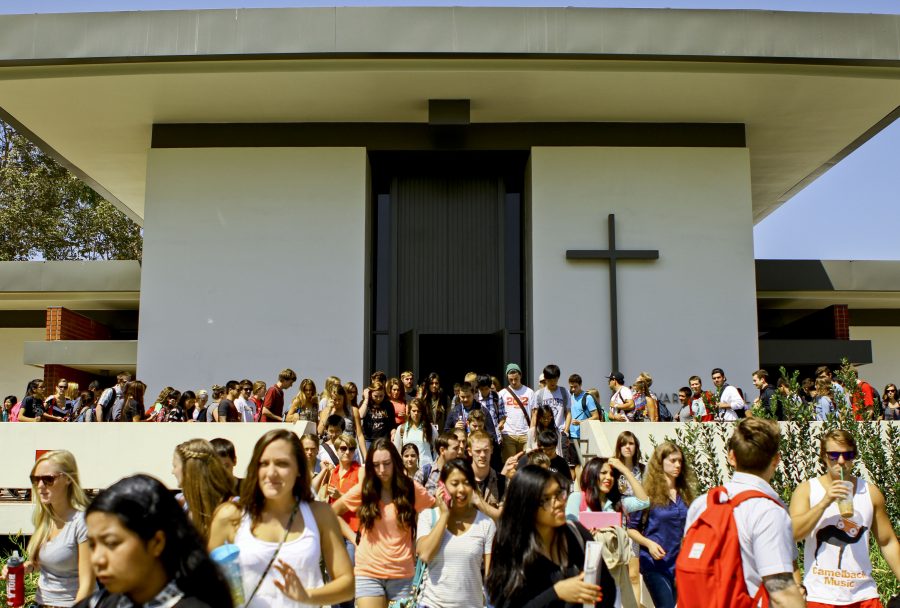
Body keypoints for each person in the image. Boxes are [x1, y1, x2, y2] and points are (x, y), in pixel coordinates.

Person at [208, 428, 354, 607]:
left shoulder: (320, 514)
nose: (271, 472)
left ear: (299, 469)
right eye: (263, 463)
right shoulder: (230, 516)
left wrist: (307, 596)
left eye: (282, 464)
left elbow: (347, 584)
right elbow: (204, 583)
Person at [681, 418, 805, 608]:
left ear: (731, 457)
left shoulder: (703, 503)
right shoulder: (768, 511)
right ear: (776, 460)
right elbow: (781, 593)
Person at [74, 474, 233, 608]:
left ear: (156, 542)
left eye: (111, 543)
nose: (97, 559)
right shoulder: (98, 604)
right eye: (92, 545)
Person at [789, 429, 900, 608]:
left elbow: (887, 542)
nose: (841, 461)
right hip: (820, 596)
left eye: (847, 455)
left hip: (864, 596)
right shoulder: (807, 490)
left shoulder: (870, 492)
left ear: (853, 456)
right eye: (834, 455)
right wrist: (825, 502)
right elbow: (793, 533)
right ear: (824, 456)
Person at [486, 464, 616, 608]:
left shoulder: (576, 533)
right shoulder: (510, 546)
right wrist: (556, 593)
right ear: (527, 505)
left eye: (559, 493)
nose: (559, 502)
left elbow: (608, 589)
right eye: (546, 499)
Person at [332, 438, 435, 608]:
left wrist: (422, 540)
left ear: (395, 462)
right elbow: (332, 512)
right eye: (376, 464)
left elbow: (436, 509)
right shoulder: (365, 489)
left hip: (401, 573)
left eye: (386, 463)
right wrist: (353, 537)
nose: (381, 470)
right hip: (368, 571)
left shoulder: (411, 488)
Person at [0, 450, 95, 606]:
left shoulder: (81, 522)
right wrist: (23, 568)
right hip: (41, 602)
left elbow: (87, 585)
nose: (40, 485)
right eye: (36, 479)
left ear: (68, 479)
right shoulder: (45, 518)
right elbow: (41, 563)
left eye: (48, 479)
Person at [415, 459, 497, 608]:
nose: (461, 489)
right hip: (431, 604)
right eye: (454, 483)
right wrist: (445, 515)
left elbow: (490, 576)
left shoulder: (486, 524)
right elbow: (425, 554)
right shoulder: (428, 516)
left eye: (466, 483)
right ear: (442, 485)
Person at [627, 442, 696, 608]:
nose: (678, 465)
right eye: (672, 461)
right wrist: (649, 544)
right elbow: (630, 528)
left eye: (680, 461)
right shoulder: (646, 493)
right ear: (660, 462)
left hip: (679, 563)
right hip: (654, 563)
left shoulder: (685, 494)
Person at [171, 439, 236, 541]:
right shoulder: (177, 506)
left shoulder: (232, 507)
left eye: (175, 466)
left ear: (188, 469)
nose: (172, 471)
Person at [615, 431, 647, 604]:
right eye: (624, 443)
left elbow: (646, 499)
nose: (628, 447)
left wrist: (629, 503)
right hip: (616, 527)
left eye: (631, 443)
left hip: (635, 528)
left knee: (634, 575)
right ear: (619, 447)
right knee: (618, 575)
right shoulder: (612, 469)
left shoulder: (643, 469)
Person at [565, 456, 649, 520]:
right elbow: (570, 529)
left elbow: (644, 501)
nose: (609, 477)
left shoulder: (617, 503)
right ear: (592, 474)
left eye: (612, 474)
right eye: (603, 473)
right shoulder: (577, 498)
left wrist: (625, 470)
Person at [533, 364, 572, 459]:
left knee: (562, 459)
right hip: (543, 432)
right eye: (550, 380)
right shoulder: (539, 394)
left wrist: (566, 431)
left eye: (555, 379)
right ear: (545, 379)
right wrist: (533, 430)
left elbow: (568, 413)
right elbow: (535, 415)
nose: (553, 382)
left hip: (559, 431)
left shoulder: (564, 392)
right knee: (543, 458)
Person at [498, 363, 535, 462]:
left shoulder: (529, 392)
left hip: (526, 434)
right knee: (510, 465)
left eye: (516, 379)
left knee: (527, 465)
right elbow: (498, 414)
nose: (513, 382)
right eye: (511, 380)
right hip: (508, 434)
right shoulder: (502, 393)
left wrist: (532, 431)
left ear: (521, 376)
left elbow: (534, 413)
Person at [318, 383, 365, 453]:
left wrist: (365, 455)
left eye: (339, 399)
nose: (337, 402)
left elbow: (360, 435)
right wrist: (329, 411)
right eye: (334, 399)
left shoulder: (353, 410)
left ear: (344, 397)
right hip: (331, 450)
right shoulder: (326, 411)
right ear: (330, 398)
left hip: (348, 449)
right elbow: (320, 431)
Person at [392, 397, 435, 469]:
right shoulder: (401, 429)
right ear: (409, 412)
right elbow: (397, 451)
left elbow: (436, 450)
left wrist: (434, 467)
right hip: (408, 469)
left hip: (426, 468)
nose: (416, 413)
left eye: (419, 411)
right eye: (414, 411)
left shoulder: (430, 428)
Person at [415, 431, 462, 496]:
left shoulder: (461, 472)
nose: (459, 452)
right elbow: (414, 499)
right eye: (455, 448)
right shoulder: (424, 473)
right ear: (442, 450)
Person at [568, 374, 599, 468]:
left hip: (584, 436)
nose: (573, 389)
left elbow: (596, 416)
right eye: (571, 387)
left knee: (584, 465)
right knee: (574, 465)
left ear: (580, 385)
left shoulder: (587, 397)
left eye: (575, 387)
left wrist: (581, 422)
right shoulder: (570, 396)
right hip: (572, 436)